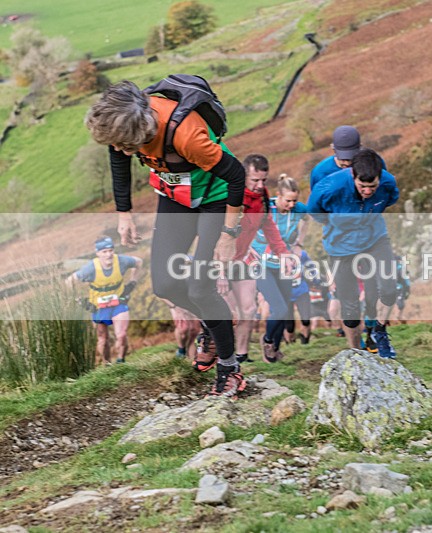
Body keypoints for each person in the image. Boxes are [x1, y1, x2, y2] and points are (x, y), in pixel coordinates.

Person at [85, 80, 248, 398]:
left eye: (124, 145)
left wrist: (228, 235)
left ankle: (230, 369)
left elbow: (236, 175)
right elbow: (116, 155)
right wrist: (124, 214)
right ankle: (215, 324)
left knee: (201, 286)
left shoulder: (187, 135)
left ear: (141, 133)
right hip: (176, 197)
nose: (119, 150)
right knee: (165, 285)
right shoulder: (126, 122)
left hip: (215, 198)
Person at [307, 148, 400, 358]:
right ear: (352, 175)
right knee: (348, 302)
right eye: (362, 186)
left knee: (388, 289)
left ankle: (379, 332)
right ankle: (355, 351)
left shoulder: (388, 182)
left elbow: (390, 199)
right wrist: (337, 223)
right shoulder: (330, 186)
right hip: (341, 245)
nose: (367, 191)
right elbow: (314, 211)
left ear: (380, 178)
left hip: (375, 238)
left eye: (372, 186)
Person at [226, 154, 290, 364]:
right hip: (219, 258)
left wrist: (283, 252)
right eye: (255, 180)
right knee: (225, 313)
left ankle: (241, 357)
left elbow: (269, 225)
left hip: (243, 258)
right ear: (243, 176)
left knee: (250, 309)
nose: (260, 185)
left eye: (264, 180)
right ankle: (217, 355)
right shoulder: (231, 194)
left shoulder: (262, 197)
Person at [249, 174, 307, 362]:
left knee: (285, 309)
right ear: (278, 196)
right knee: (279, 308)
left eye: (294, 200)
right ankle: (266, 341)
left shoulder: (298, 210)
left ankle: (275, 347)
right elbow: (244, 222)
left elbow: (308, 217)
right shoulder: (267, 207)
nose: (291, 205)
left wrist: (299, 243)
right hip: (262, 265)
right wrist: (247, 247)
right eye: (288, 200)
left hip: (284, 265)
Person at [67, 235, 142, 365]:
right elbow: (69, 281)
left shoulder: (122, 261)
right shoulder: (91, 268)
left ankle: (121, 362)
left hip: (119, 302)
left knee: (122, 335)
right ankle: (107, 365)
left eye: (111, 250)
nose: (108, 255)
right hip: (99, 306)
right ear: (98, 253)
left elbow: (139, 262)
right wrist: (78, 300)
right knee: (103, 339)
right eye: (104, 252)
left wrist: (133, 282)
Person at [309, 126, 387, 192]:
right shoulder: (320, 172)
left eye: (351, 158)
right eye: (343, 158)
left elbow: (384, 187)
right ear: (333, 148)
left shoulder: (374, 163)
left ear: (360, 147)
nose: (347, 163)